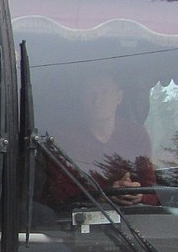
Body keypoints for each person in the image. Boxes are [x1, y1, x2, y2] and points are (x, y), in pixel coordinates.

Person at [47, 71, 157, 208]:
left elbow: (153, 192)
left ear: (119, 97)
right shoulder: (63, 139)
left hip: (134, 221)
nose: (98, 100)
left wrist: (137, 194)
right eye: (91, 93)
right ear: (82, 98)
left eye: (105, 92)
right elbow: (57, 195)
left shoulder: (136, 135)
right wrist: (106, 195)